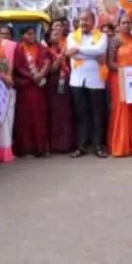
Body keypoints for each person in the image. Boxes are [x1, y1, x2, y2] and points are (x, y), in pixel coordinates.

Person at [67, 10, 109, 158]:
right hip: (77, 80)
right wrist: (92, 54)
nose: (83, 23)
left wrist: (78, 50)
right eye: (81, 20)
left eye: (86, 20)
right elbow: (75, 54)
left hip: (96, 80)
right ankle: (82, 146)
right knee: (81, 114)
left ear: (93, 21)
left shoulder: (102, 36)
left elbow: (100, 50)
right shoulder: (72, 36)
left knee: (97, 114)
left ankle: (98, 146)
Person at [13, 25, 51, 157]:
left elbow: (47, 61)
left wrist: (40, 74)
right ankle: (26, 149)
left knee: (39, 117)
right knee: (24, 119)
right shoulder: (18, 49)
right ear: (22, 35)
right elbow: (18, 66)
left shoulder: (41, 48)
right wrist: (32, 76)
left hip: (38, 87)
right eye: (29, 34)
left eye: (33, 34)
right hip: (25, 87)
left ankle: (40, 148)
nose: (32, 36)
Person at [45, 20, 75, 153]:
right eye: (54, 33)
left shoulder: (67, 45)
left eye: (59, 32)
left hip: (67, 81)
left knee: (67, 113)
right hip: (54, 83)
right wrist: (61, 56)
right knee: (55, 114)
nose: (57, 35)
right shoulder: (46, 50)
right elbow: (51, 69)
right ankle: (56, 144)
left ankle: (67, 143)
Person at [0, 18, 17, 164]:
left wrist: (8, 77)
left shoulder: (14, 47)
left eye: (7, 34)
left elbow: (13, 67)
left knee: (7, 121)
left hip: (8, 88)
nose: (4, 37)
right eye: (1, 34)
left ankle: (6, 150)